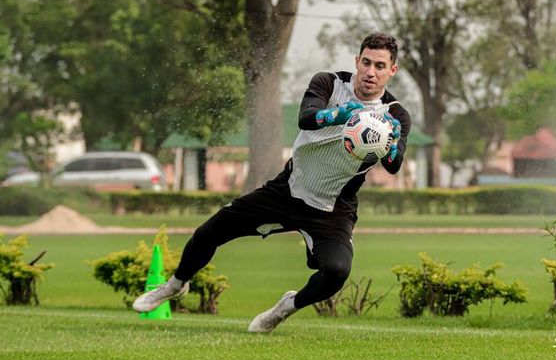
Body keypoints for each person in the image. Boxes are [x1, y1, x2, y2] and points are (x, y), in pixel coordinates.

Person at [133, 32, 412, 332]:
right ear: (357, 61)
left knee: (336, 272)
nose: (371, 72)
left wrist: (392, 142)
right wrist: (338, 115)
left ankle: (285, 308)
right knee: (208, 232)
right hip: (287, 189)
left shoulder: (394, 115)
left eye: (380, 66)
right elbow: (306, 118)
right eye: (366, 62)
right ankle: (175, 285)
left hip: (333, 207)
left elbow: (394, 167)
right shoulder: (329, 83)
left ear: (391, 70)